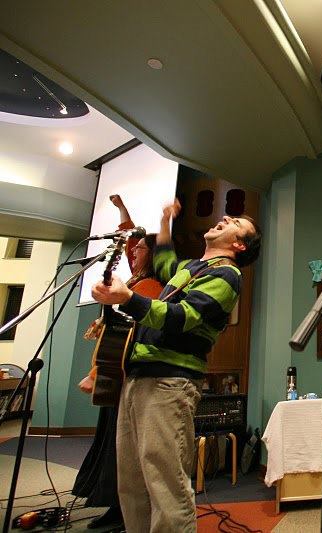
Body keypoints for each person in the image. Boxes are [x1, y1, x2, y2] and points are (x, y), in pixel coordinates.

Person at [91, 199, 261, 533]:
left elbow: (182, 318)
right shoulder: (191, 269)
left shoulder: (228, 276)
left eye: (236, 222)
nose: (225, 217)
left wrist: (128, 299)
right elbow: (166, 260)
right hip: (138, 377)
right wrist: (165, 221)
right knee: (132, 481)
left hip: (171, 382)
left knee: (165, 482)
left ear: (238, 245)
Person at [73, 194, 163, 530]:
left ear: (152, 253)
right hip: (117, 377)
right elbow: (126, 235)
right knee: (111, 442)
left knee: (121, 448)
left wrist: (97, 369)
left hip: (129, 376)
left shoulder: (150, 286)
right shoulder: (134, 280)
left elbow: (134, 333)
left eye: (140, 248)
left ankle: (122, 510)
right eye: (132, 247)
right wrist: (122, 208)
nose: (132, 250)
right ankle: (115, 506)